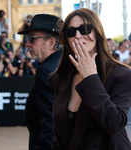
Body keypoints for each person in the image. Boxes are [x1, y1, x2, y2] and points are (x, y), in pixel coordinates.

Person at [48, 8, 131, 150]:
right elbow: (60, 134)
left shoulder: (122, 74)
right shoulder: (57, 78)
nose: (78, 36)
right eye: (71, 32)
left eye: (85, 29)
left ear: (97, 33)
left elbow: (113, 123)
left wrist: (90, 78)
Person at [17, 14, 63, 150]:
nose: (27, 43)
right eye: (27, 38)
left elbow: (51, 121)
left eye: (33, 38)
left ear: (51, 43)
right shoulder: (62, 63)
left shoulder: (46, 71)